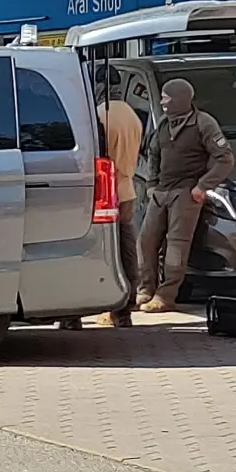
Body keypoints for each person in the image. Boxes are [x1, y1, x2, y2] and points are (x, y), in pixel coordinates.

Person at [137, 78, 235, 314]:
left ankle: (165, 296)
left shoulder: (204, 123)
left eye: (166, 98)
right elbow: (153, 154)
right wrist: (151, 184)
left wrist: (202, 186)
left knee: (176, 245)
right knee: (146, 241)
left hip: (186, 193)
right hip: (161, 192)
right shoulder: (163, 123)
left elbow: (225, 159)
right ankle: (145, 289)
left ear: (179, 98)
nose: (162, 102)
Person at [93, 82, 145, 327]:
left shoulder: (99, 115)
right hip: (127, 189)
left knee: (97, 251)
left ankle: (74, 315)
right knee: (127, 251)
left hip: (103, 192)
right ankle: (124, 311)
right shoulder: (131, 114)